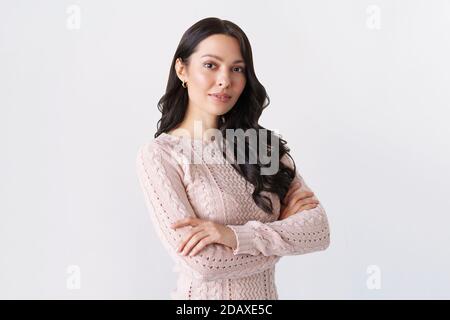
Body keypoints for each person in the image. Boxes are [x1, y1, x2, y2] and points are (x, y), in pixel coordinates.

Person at [136, 17, 330, 300]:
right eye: (210, 65)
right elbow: (204, 264)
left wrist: (232, 237)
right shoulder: (160, 156)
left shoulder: (263, 147)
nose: (225, 80)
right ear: (182, 69)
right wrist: (279, 236)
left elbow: (318, 230)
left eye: (236, 68)